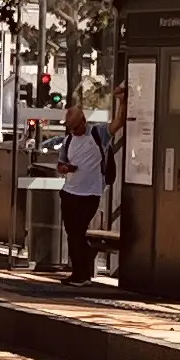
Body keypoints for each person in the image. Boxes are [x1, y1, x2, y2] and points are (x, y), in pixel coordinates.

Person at [59, 107, 109, 286]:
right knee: (72, 233)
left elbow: (118, 124)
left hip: (90, 193)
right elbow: (60, 164)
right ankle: (80, 273)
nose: (73, 131)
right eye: (70, 128)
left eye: (75, 127)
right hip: (69, 191)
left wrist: (122, 102)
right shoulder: (68, 140)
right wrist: (65, 168)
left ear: (83, 122)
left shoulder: (97, 134)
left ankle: (82, 274)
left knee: (77, 232)